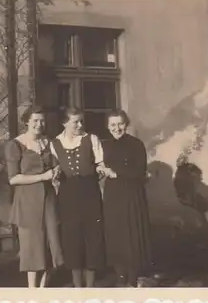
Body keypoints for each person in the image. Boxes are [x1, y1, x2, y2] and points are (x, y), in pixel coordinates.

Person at [4, 106, 64, 288]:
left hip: (49, 200)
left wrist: (57, 171)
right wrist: (42, 177)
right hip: (28, 201)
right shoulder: (15, 145)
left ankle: (43, 289)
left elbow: (57, 165)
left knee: (51, 245)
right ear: (27, 122)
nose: (39, 124)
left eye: (42, 121)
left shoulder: (48, 143)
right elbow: (13, 178)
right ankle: (32, 291)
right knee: (32, 248)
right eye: (35, 120)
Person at [49, 107, 107, 288]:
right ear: (65, 123)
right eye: (76, 122)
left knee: (92, 236)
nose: (80, 125)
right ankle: (77, 287)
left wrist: (100, 170)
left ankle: (90, 286)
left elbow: (101, 164)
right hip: (68, 194)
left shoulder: (91, 139)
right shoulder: (55, 143)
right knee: (72, 237)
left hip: (90, 192)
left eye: (82, 121)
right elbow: (54, 169)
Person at [101, 110, 154, 287]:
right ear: (108, 127)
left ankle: (132, 278)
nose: (117, 128)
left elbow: (140, 171)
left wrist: (116, 173)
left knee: (131, 236)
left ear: (126, 124)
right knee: (115, 235)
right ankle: (120, 276)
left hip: (131, 194)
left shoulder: (136, 144)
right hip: (112, 195)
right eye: (113, 125)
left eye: (120, 124)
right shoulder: (105, 145)